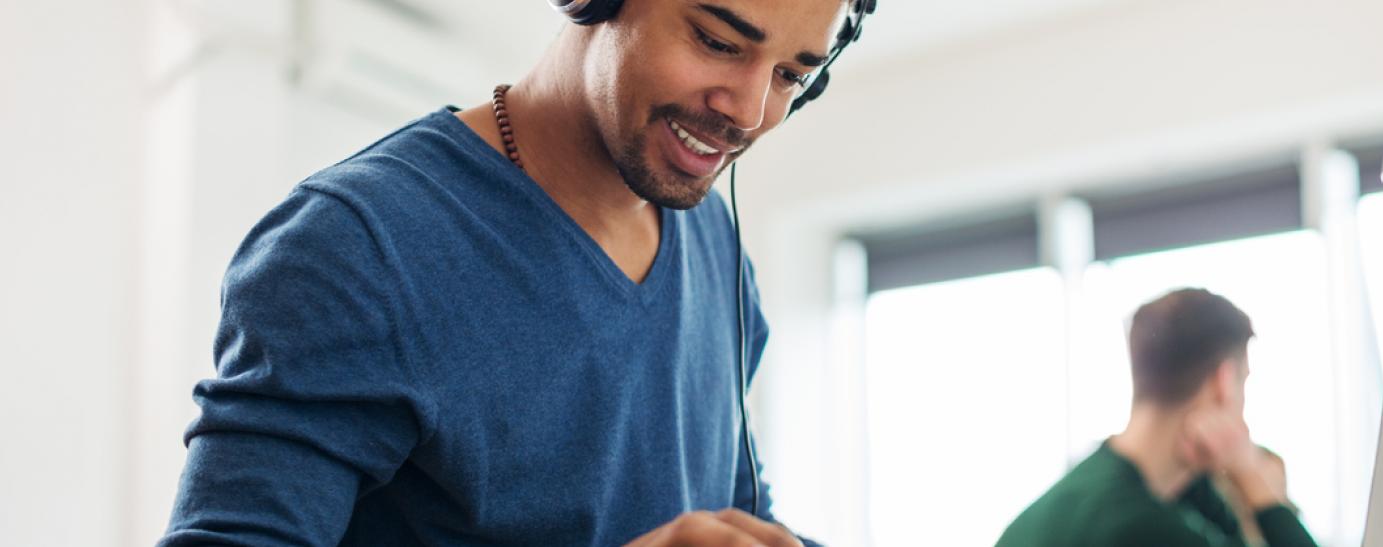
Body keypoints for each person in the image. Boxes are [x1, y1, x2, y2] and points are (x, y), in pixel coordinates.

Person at [160, 0, 873, 545]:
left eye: (791, 75)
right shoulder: (358, 243)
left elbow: (734, 509)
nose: (749, 112)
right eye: (717, 42)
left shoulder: (715, 239)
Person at [995, 288, 1318, 547]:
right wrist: (1253, 481)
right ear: (1223, 384)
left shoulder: (1080, 498)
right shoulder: (1143, 527)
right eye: (1243, 381)